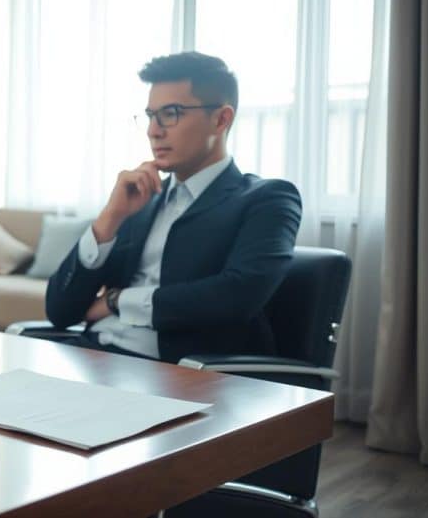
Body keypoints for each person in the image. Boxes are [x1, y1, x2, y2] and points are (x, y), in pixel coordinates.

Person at [44, 51, 302, 363]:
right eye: (151, 115)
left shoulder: (267, 199)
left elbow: (237, 296)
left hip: (181, 375)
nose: (154, 130)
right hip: (94, 357)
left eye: (171, 113)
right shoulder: (141, 198)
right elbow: (60, 310)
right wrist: (110, 217)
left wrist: (116, 301)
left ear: (221, 119)